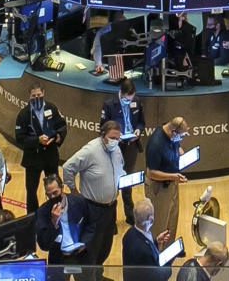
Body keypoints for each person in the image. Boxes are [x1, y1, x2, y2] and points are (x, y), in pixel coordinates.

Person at [62, 121, 125, 265]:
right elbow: (67, 168)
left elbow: (119, 168)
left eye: (118, 138)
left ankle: (98, 274)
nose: (115, 142)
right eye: (112, 138)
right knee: (92, 247)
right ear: (103, 135)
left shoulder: (116, 150)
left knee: (106, 245)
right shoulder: (90, 150)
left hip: (111, 207)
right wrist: (74, 191)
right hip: (93, 208)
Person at [15, 84, 68, 213]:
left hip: (50, 156)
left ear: (43, 93)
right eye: (34, 96)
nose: (37, 97)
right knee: (31, 191)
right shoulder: (23, 114)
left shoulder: (52, 108)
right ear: (29, 96)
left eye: (39, 95)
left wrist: (57, 137)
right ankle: (32, 219)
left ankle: (58, 211)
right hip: (33, 159)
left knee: (55, 188)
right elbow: (20, 138)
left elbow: (62, 126)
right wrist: (37, 140)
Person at [101, 78, 146, 224]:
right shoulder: (109, 105)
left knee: (127, 182)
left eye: (130, 99)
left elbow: (141, 121)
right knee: (113, 183)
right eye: (126, 99)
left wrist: (138, 130)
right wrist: (114, 138)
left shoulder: (137, 101)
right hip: (114, 149)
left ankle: (130, 216)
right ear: (121, 93)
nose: (129, 102)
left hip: (131, 146)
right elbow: (102, 128)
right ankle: (111, 219)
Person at [36, 174, 97, 265]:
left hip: (81, 254)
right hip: (58, 257)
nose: (52, 197)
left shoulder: (80, 201)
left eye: (55, 193)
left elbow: (92, 224)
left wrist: (84, 242)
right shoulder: (42, 212)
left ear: (62, 188)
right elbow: (44, 244)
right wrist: (54, 222)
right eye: (49, 195)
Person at [145, 117, 189, 242]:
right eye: (182, 135)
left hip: (171, 183)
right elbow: (152, 173)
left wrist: (180, 151)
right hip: (158, 189)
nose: (182, 138)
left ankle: (169, 252)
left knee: (171, 220)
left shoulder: (171, 133)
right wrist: (173, 177)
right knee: (160, 225)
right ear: (174, 131)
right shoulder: (156, 144)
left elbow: (176, 144)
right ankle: (158, 255)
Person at [122, 198, 173, 281]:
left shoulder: (129, 234)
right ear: (150, 219)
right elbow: (158, 277)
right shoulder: (143, 251)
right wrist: (168, 264)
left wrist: (156, 242)